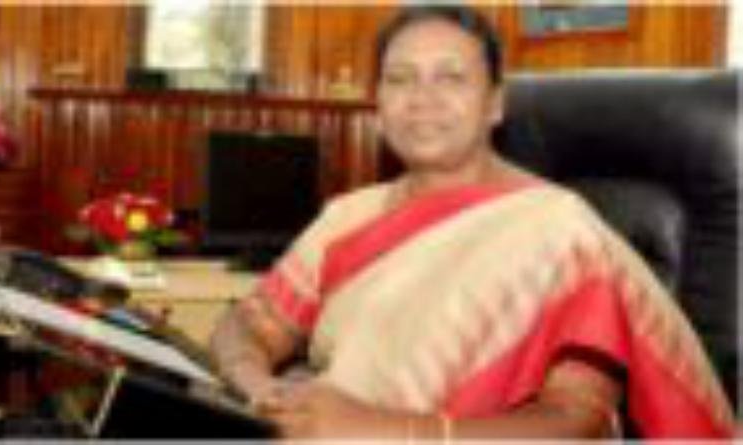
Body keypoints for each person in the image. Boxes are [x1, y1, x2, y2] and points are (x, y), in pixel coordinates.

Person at [210, 5, 734, 440]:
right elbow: (246, 326)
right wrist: (260, 388)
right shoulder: (347, 217)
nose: (423, 99)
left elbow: (577, 422)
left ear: (495, 104)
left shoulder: (558, 232)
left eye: (452, 78)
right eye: (400, 79)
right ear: (380, 102)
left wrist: (395, 431)